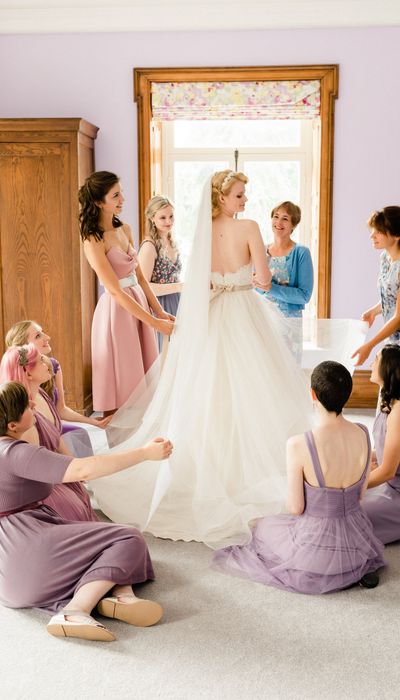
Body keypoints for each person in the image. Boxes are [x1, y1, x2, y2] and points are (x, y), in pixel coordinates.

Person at [92, 170, 313, 549]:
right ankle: (249, 470)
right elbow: (263, 280)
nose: (245, 200)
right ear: (223, 198)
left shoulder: (204, 232)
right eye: (240, 195)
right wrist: (249, 279)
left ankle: (211, 469)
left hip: (212, 313)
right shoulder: (248, 228)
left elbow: (198, 282)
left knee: (208, 393)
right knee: (255, 390)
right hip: (243, 311)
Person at [0, 380, 172, 642]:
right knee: (128, 538)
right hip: (27, 548)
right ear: (12, 426)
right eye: (26, 405)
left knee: (97, 543)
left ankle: (121, 596)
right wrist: (145, 453)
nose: (33, 404)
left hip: (9, 572)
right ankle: (75, 611)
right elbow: (83, 469)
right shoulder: (15, 454)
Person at [212, 361, 385, 593]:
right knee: (274, 527)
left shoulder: (299, 443)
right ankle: (351, 571)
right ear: (348, 394)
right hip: (357, 544)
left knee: (263, 527)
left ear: (313, 394)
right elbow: (361, 495)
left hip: (315, 552)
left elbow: (296, 508)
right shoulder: (363, 432)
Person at [79, 171, 174, 415]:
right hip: (116, 311)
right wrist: (154, 322)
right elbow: (114, 290)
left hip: (138, 302)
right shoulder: (92, 239)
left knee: (143, 379)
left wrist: (160, 312)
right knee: (119, 378)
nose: (123, 199)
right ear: (99, 202)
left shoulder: (126, 229)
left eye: (121, 193)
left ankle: (142, 435)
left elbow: (140, 278)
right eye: (115, 196)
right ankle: (117, 436)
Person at [0, 344, 98, 521]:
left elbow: (57, 438)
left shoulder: (41, 396)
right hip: (46, 486)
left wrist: (72, 464)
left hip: (59, 473)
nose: (48, 364)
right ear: (28, 373)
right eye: (41, 361)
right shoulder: (27, 422)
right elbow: (33, 472)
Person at [5, 319, 110, 432]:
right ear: (24, 347)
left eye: (42, 333)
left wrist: (94, 422)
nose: (47, 337)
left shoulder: (53, 365)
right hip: (31, 429)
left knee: (79, 432)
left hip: (52, 424)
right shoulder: (14, 379)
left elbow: (61, 409)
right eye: (38, 336)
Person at [256, 201, 314, 362]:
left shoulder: (301, 253)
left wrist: (270, 288)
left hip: (289, 326)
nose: (278, 222)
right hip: (263, 321)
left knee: (287, 368)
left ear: (293, 225)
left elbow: (304, 295)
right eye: (276, 217)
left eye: (285, 218)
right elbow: (253, 285)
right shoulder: (260, 250)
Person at [352, 206, 400, 366]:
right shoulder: (385, 258)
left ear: (396, 235)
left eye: (379, 231)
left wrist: (370, 346)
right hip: (393, 339)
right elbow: (392, 295)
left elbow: (398, 317)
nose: (372, 235)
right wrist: (374, 311)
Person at [362, 345, 400, 543]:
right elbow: (381, 449)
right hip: (389, 485)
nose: (371, 364)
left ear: (387, 367)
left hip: (396, 491)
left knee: (348, 512)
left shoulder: (399, 412)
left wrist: (352, 486)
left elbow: (387, 471)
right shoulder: (388, 400)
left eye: (376, 359)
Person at [138, 196, 183, 350]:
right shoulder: (149, 247)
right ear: (152, 218)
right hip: (159, 307)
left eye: (171, 216)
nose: (168, 221)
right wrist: (179, 286)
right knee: (163, 353)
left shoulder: (172, 242)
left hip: (177, 303)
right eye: (162, 217)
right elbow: (143, 286)